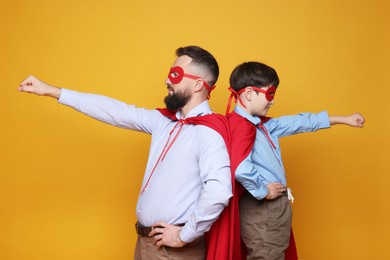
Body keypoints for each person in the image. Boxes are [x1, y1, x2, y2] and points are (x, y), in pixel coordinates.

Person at [18, 46, 233, 259]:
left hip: (173, 251)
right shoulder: (164, 121)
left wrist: (184, 236)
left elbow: (219, 191)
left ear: (197, 84)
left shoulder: (207, 133)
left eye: (175, 75)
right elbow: (116, 111)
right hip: (146, 243)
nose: (167, 81)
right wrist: (52, 91)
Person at [225, 61, 365, 260]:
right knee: (267, 256)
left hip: (271, 209)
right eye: (270, 93)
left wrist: (343, 119)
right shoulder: (241, 126)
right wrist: (264, 191)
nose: (272, 101)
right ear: (249, 93)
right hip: (263, 209)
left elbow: (300, 122)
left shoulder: (263, 125)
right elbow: (239, 167)